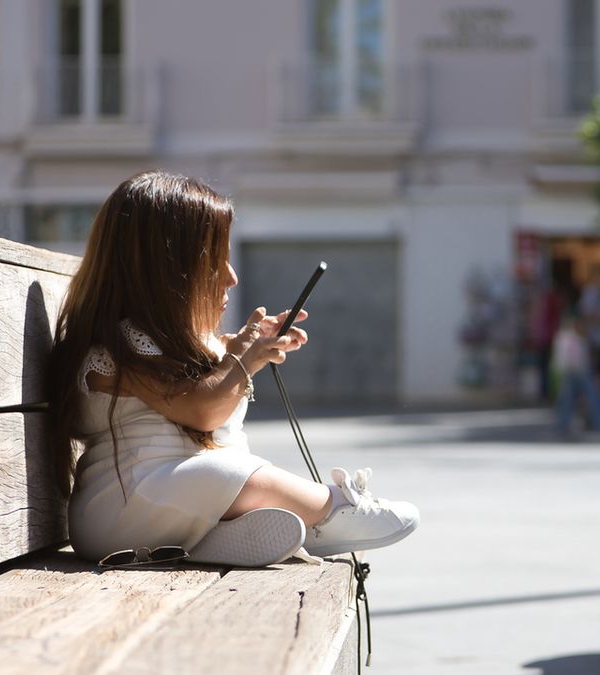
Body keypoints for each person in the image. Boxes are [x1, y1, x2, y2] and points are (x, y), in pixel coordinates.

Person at [48, 171, 419, 567]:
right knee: (233, 472)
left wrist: (247, 346)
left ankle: (211, 538)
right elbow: (202, 410)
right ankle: (331, 509)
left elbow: (208, 378)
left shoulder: (181, 345)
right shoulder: (118, 352)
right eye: (214, 263)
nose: (231, 277)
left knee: (222, 472)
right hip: (121, 509)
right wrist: (245, 360)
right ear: (165, 272)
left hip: (167, 507)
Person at [552, 313, 600, 434]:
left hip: (575, 371)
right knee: (589, 396)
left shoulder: (570, 337)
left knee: (570, 399)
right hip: (578, 371)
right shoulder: (571, 338)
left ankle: (564, 423)